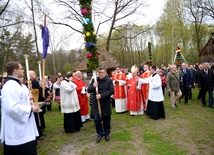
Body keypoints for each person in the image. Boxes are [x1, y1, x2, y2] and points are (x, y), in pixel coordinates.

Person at [1, 61, 38, 155]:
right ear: (15, 71)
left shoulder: (17, 85)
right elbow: (12, 108)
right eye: (21, 68)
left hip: (24, 128)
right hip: (17, 132)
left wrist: (29, 103)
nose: (23, 70)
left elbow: (19, 101)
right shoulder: (10, 86)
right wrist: (30, 109)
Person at [87, 68, 114, 143]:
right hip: (96, 104)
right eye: (99, 72)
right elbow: (88, 90)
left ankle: (106, 134)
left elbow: (111, 91)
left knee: (106, 119)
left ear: (105, 73)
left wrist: (101, 95)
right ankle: (99, 133)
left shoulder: (109, 81)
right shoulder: (95, 80)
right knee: (96, 119)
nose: (99, 74)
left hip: (105, 103)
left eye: (101, 72)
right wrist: (93, 86)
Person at [29, 70, 46, 140]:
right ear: (30, 75)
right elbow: (34, 92)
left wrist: (42, 87)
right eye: (33, 74)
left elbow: (40, 90)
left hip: (39, 100)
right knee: (37, 117)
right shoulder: (30, 83)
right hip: (35, 101)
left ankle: (41, 129)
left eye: (35, 74)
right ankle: (38, 133)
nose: (35, 75)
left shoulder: (35, 82)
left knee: (40, 116)